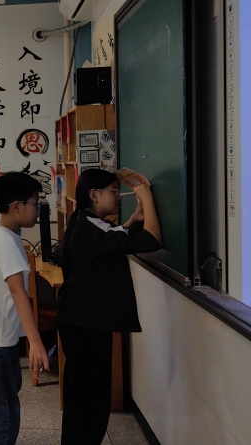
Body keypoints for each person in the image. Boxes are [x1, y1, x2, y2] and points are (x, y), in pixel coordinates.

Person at [57, 168, 161, 445]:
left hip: (80, 319)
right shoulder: (92, 227)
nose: (118, 196)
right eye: (113, 191)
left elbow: (109, 240)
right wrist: (146, 198)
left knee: (83, 394)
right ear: (94, 195)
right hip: (86, 322)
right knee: (91, 399)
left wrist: (131, 221)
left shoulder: (83, 219)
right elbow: (152, 239)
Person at [0, 172, 50, 445]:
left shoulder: (1, 235)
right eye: (35, 203)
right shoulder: (6, 241)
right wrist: (35, 342)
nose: (37, 209)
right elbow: (18, 292)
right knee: (1, 415)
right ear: (16, 206)